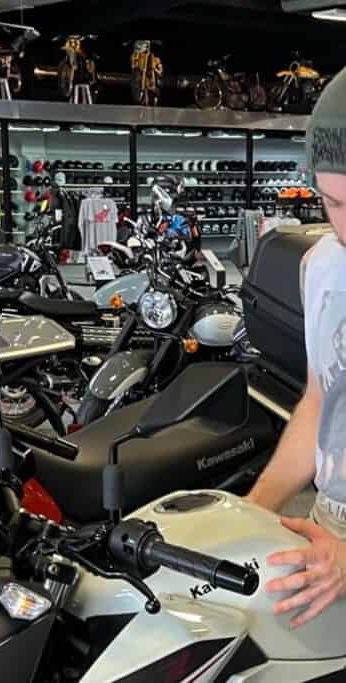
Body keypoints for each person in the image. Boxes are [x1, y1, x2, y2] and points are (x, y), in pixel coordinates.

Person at [246, 67, 346, 628]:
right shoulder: (324, 267)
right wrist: (253, 509)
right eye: (333, 204)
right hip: (329, 530)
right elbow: (318, 402)